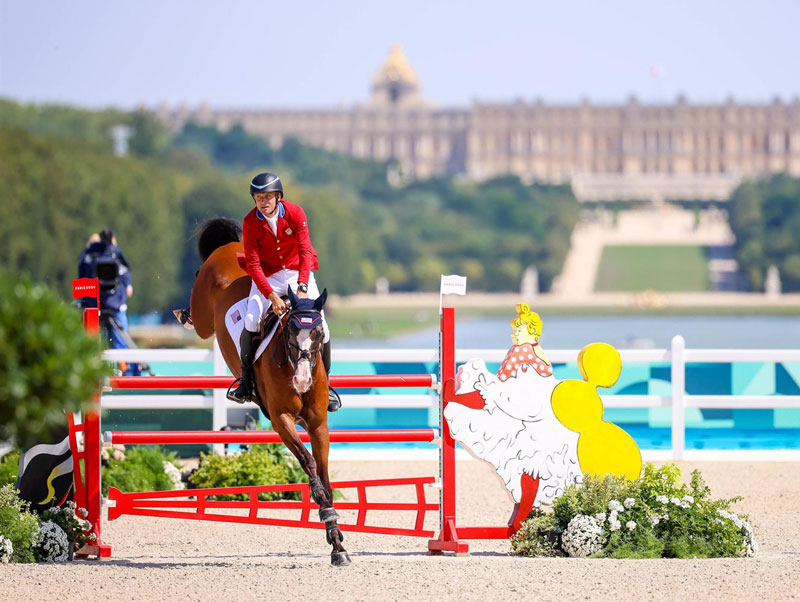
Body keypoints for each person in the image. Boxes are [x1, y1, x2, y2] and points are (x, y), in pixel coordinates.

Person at [227, 172, 341, 412]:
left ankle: (326, 386)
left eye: (268, 196)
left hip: (297, 270)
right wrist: (271, 296)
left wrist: (301, 285)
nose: (263, 201)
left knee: (325, 330)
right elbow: (254, 264)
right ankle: (245, 383)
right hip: (267, 276)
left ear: (278, 196)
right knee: (250, 320)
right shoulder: (250, 222)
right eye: (258, 197)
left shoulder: (295, 213)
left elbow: (305, 251)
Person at [78, 229, 140, 376]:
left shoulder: (95, 256)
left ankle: (127, 372)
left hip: (108, 305)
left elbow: (82, 278)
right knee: (113, 341)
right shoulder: (98, 255)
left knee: (118, 342)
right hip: (104, 305)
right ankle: (126, 373)